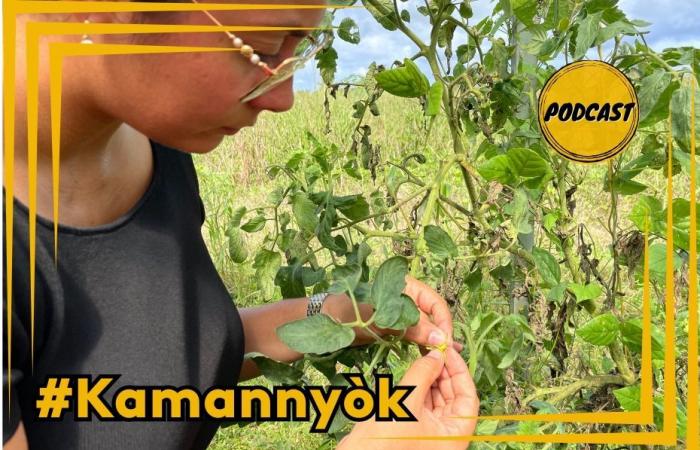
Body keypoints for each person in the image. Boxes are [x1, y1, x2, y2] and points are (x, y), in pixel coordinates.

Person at [3, 0, 479, 448]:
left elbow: (168, 351)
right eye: (266, 48)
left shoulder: (153, 146)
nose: (284, 98)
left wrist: (344, 315)